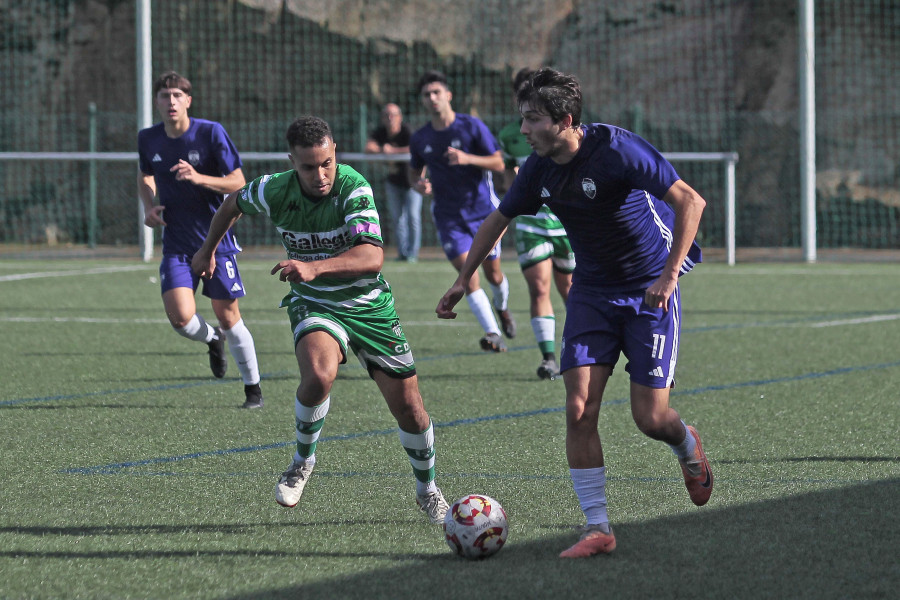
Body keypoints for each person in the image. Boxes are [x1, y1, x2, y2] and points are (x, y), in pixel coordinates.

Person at [436, 68, 714, 558]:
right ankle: (597, 528)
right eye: (521, 118)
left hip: (649, 290)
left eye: (532, 119)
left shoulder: (617, 149)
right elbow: (498, 218)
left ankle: (687, 446)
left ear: (564, 120)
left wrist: (669, 277)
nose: (522, 130)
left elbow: (691, 201)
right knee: (579, 407)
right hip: (591, 292)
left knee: (650, 419)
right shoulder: (538, 169)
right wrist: (464, 279)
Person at [191, 116, 450, 523]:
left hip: (369, 306)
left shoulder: (353, 186)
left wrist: (315, 267)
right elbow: (231, 204)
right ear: (292, 161)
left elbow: (372, 257)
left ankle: (427, 489)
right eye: (309, 167)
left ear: (335, 155)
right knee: (318, 375)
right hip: (315, 304)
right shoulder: (273, 189)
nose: (321, 174)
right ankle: (301, 462)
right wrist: (208, 250)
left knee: (411, 410)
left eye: (327, 163)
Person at [137, 71, 263, 409]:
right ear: (157, 102)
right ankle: (212, 340)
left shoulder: (210, 132)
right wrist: (149, 206)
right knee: (180, 319)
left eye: (177, 94)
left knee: (228, 315)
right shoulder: (148, 139)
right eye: (164, 95)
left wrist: (199, 178)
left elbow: (238, 181)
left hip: (216, 242)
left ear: (188, 100)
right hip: (176, 244)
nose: (171, 101)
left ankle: (253, 390)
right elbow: (145, 174)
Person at [408, 69, 517, 353]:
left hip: (484, 212)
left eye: (436, 92)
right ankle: (492, 332)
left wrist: (467, 158)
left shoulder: (471, 126)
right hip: (448, 216)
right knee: (467, 275)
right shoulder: (421, 137)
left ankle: (502, 307)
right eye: (426, 94)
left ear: (448, 95)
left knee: (494, 274)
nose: (431, 98)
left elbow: (498, 163)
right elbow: (413, 173)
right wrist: (419, 184)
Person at [496, 68, 574, 380]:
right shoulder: (510, 136)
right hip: (532, 221)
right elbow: (505, 182)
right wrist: (513, 183)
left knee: (572, 290)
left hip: (566, 220)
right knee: (539, 287)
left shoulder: (562, 128)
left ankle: (582, 350)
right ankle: (549, 358)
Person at [365, 103, 422, 262]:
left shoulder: (407, 131)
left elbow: (416, 148)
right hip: (393, 183)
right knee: (397, 218)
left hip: (412, 182)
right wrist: (383, 150)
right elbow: (368, 147)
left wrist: (392, 151)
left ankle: (413, 253)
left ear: (400, 117)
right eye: (386, 115)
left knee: (413, 217)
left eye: (393, 115)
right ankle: (402, 253)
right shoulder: (380, 133)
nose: (390, 118)